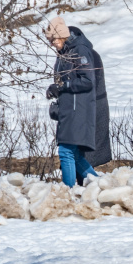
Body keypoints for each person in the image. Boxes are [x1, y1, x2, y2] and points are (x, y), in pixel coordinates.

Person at [44, 16, 100, 188]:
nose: (52, 43)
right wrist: (55, 89)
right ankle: (99, 186)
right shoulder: (65, 53)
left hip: (78, 109)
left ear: (61, 35)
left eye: (53, 39)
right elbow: (64, 81)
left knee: (66, 151)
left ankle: (67, 192)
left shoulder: (79, 51)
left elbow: (87, 81)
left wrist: (62, 86)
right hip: (69, 109)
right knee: (74, 154)